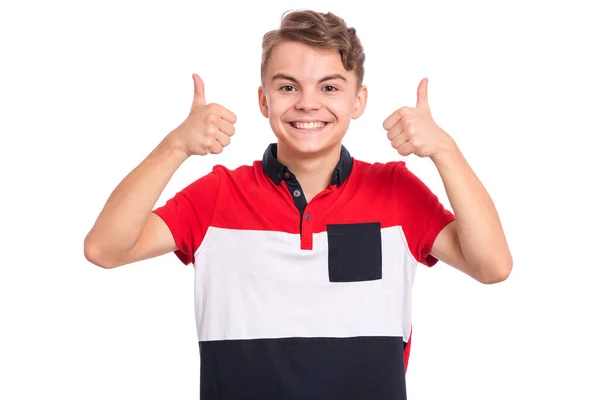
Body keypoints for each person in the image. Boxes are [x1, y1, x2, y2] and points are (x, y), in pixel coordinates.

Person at [84, 9, 512, 400]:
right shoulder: (217, 195)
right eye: (288, 86)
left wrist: (445, 151)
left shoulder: (396, 192)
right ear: (263, 100)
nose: (308, 102)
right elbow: (105, 249)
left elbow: (492, 266)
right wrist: (175, 146)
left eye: (329, 87)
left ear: (358, 100)